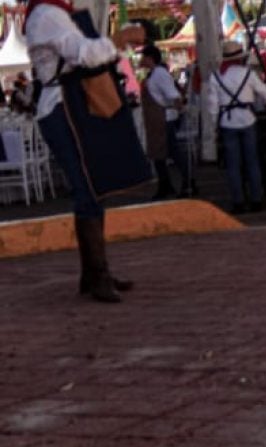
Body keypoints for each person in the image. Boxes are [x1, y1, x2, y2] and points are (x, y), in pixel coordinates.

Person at [24, 0, 152, 302]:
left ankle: (93, 273)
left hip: (67, 104)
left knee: (92, 185)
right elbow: (85, 54)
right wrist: (120, 40)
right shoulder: (48, 15)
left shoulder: (51, 13)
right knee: (87, 187)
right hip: (62, 107)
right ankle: (97, 274)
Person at [205, 39, 266, 214]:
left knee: (233, 165)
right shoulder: (248, 74)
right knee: (252, 162)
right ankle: (256, 199)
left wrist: (215, 126)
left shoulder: (215, 77)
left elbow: (212, 107)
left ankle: (238, 201)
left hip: (227, 123)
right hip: (248, 120)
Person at [139, 44, 189, 199]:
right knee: (158, 154)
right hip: (156, 119)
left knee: (172, 152)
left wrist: (180, 110)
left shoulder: (160, 74)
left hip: (163, 118)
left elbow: (172, 95)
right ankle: (165, 184)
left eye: (144, 57)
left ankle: (187, 182)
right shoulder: (153, 74)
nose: (142, 60)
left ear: (149, 58)